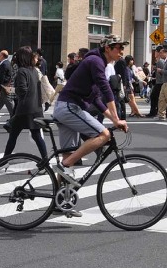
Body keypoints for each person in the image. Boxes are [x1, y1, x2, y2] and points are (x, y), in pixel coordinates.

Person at [50, 35, 129, 185]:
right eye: (119, 48)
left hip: (65, 108)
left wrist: (115, 120)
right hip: (69, 107)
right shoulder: (96, 61)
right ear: (108, 48)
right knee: (104, 134)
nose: (122, 52)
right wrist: (116, 119)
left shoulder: (97, 62)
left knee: (69, 154)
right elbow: (106, 90)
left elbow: (96, 100)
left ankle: (60, 196)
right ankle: (65, 165)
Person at [2, 46, 49, 160]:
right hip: (36, 108)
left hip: (24, 109)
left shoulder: (21, 71)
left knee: (13, 135)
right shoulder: (34, 70)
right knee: (37, 136)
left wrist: (12, 90)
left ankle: (5, 160)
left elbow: (22, 91)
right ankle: (45, 161)